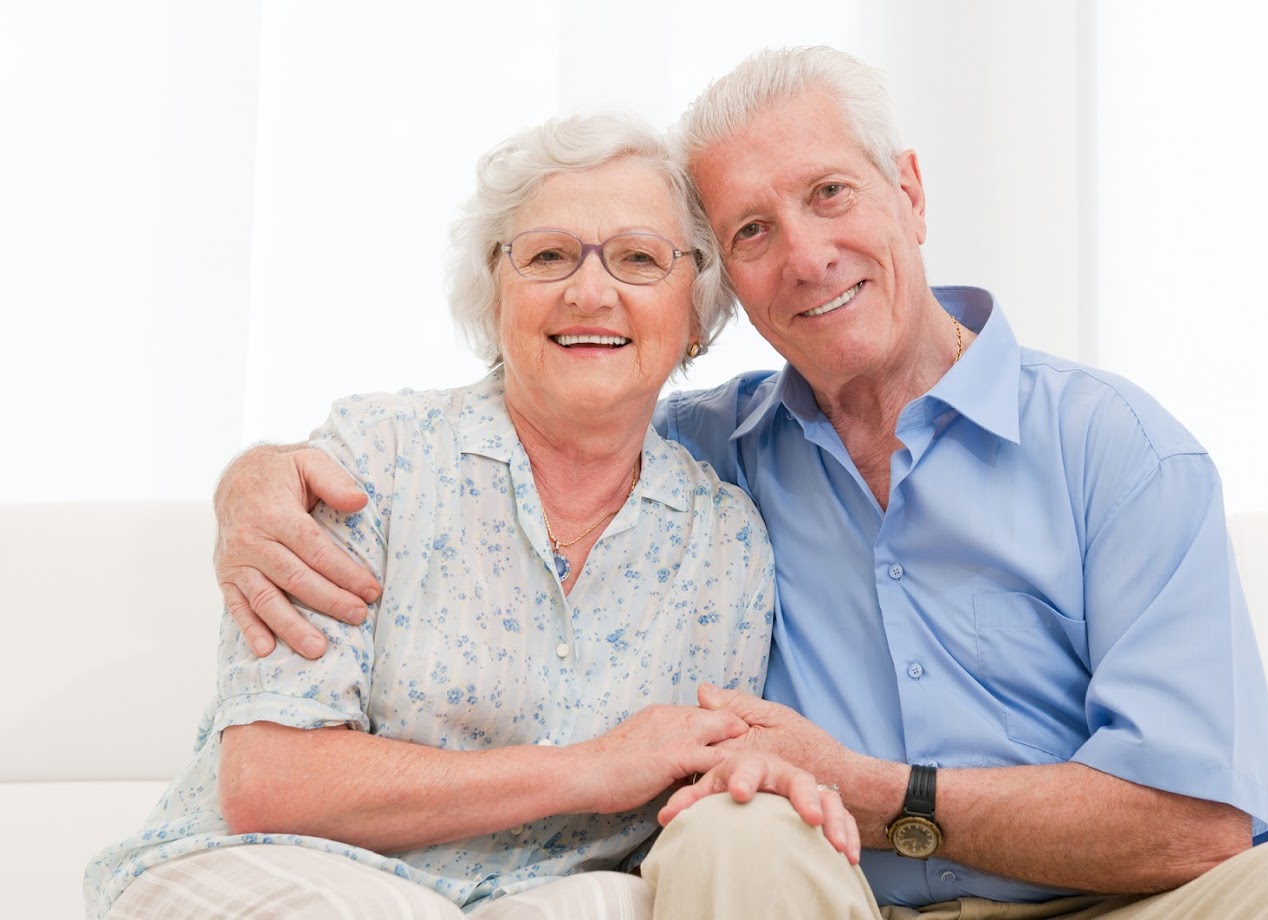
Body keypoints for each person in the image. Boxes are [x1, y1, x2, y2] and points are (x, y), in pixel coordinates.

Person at [209, 47, 1268, 918]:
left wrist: (880, 789)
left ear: (909, 193)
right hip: (831, 900)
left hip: (1121, 906)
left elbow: (1196, 822)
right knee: (729, 836)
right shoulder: (702, 462)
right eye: (754, 229)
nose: (807, 253)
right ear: (724, 288)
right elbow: (549, 409)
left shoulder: (1118, 449)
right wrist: (255, 480)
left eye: (831, 193)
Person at [84, 112, 860, 920]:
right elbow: (268, 782)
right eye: (549, 255)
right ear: (494, 296)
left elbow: (696, 794)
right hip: (278, 871)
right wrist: (590, 769)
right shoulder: (372, 460)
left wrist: (763, 779)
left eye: (637, 258)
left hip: (542, 898)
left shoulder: (725, 540)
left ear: (696, 315)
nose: (589, 292)